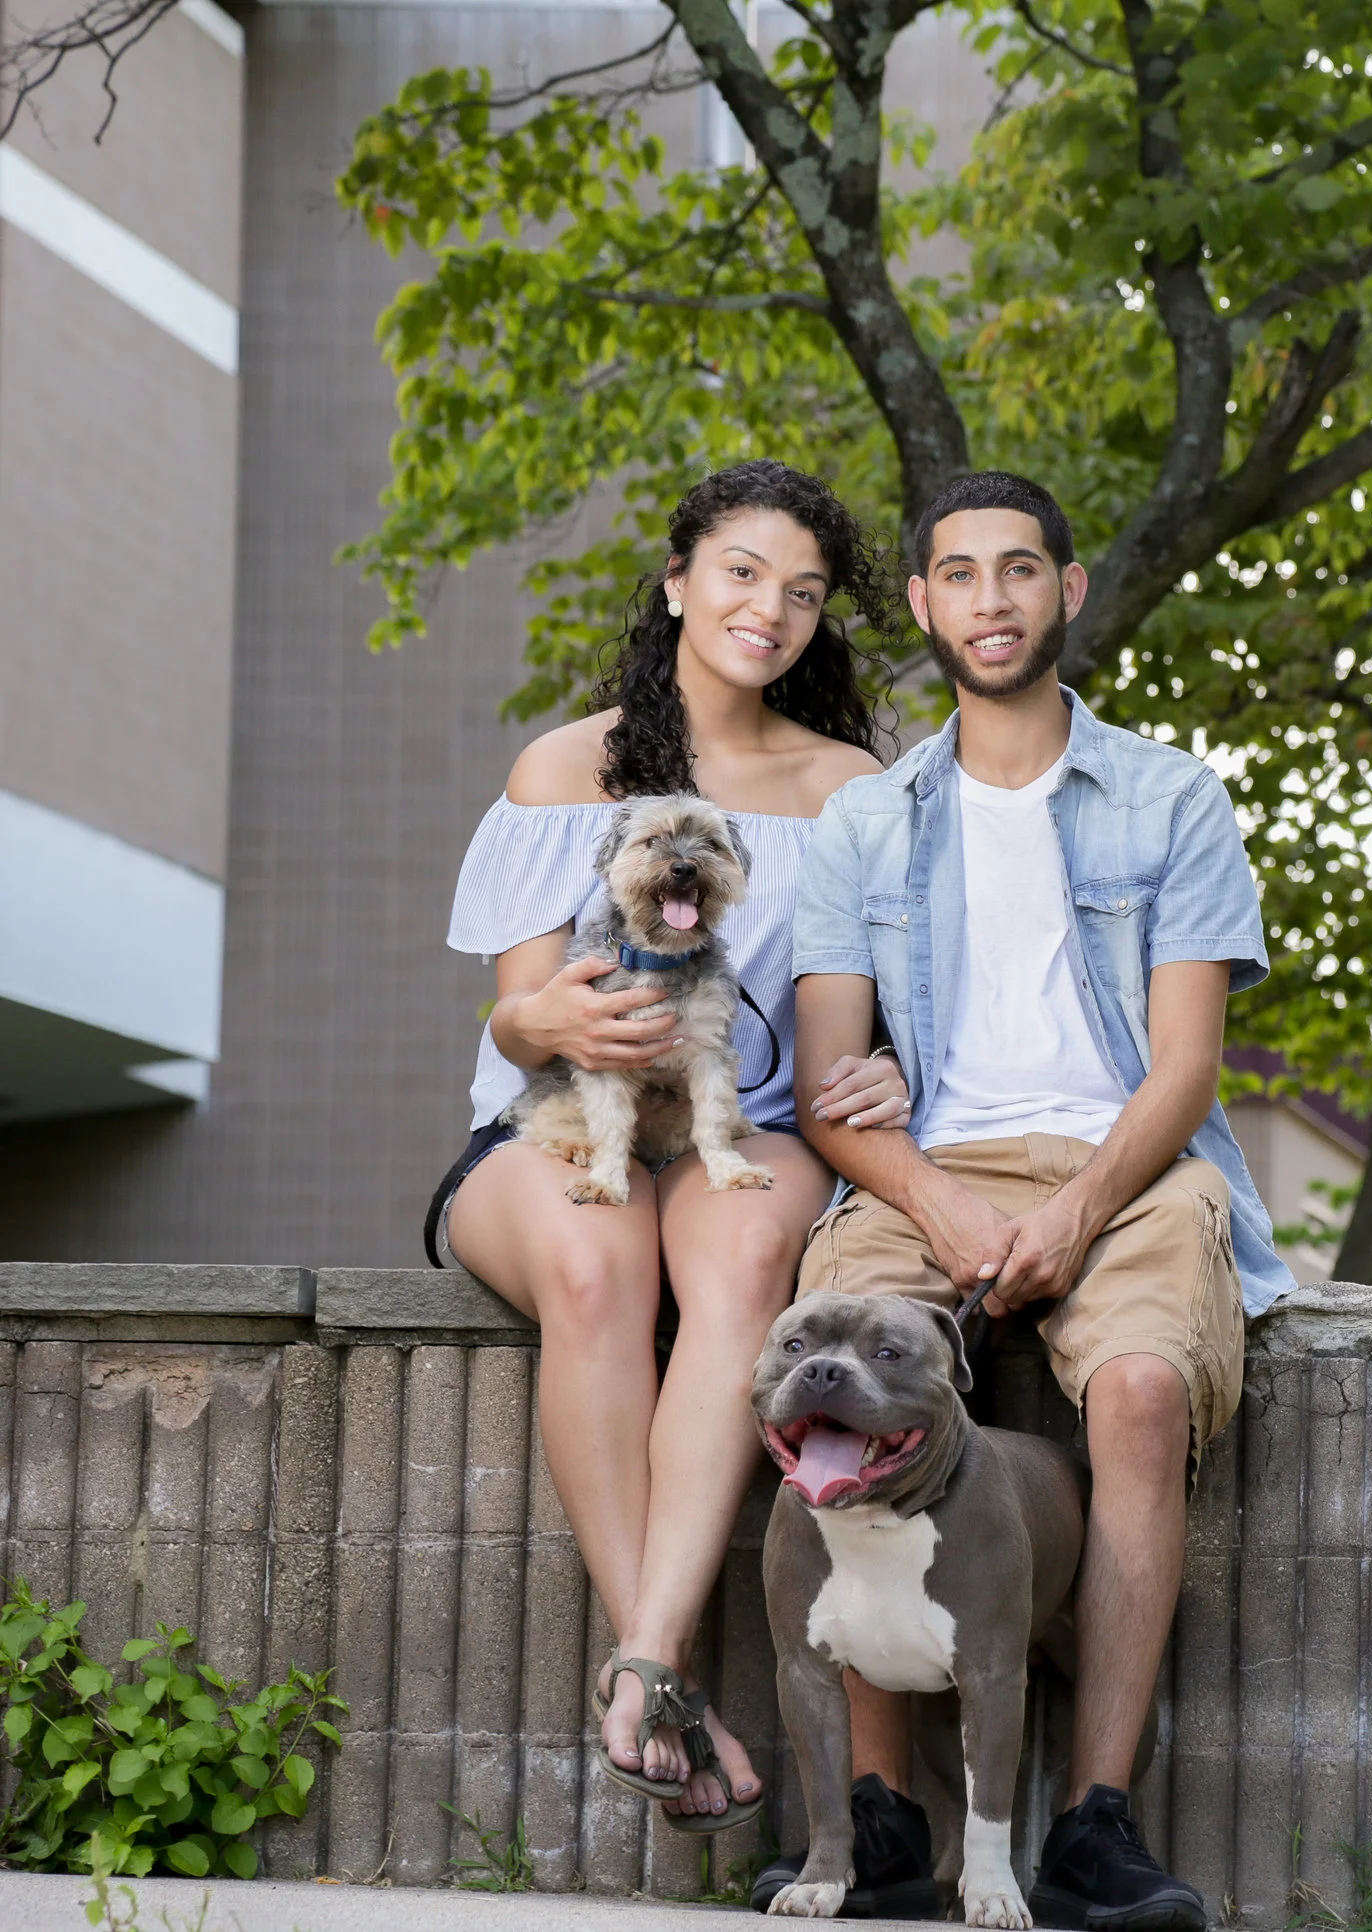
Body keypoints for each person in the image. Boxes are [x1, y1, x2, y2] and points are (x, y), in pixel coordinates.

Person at [777, 469, 1294, 1927]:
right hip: (922, 1167)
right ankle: (879, 1820)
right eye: (958, 573)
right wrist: (940, 1206)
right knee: (837, 1383)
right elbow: (828, 1086)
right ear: (924, 603)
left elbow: (1185, 1071)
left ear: (1066, 589)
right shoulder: (868, 821)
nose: (989, 599)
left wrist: (1071, 1217)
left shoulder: (1171, 797)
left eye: (1019, 569)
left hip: (1127, 1166)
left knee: (1138, 1392)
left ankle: (1093, 1825)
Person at [430, 460, 914, 1829]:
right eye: (744, 573)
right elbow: (517, 1019)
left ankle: (642, 1664)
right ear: (678, 582)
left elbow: (858, 1021)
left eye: (805, 592)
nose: (771, 609)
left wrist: (884, 1070)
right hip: (556, 1118)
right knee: (596, 1265)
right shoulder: (566, 768)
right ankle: (668, 1670)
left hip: (743, 1122)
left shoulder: (849, 788)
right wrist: (543, 1017)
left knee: (748, 1257)